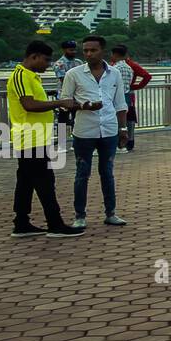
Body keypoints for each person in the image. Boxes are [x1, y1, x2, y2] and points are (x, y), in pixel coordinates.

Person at [7, 40, 85, 238]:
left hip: (38, 137)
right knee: (45, 181)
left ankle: (21, 222)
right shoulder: (21, 76)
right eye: (46, 60)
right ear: (33, 56)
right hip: (29, 138)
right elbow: (29, 105)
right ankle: (55, 224)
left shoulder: (31, 76)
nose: (48, 64)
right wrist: (59, 102)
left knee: (25, 181)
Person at [59, 34, 128, 229]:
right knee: (82, 173)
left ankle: (111, 213)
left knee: (107, 172)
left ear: (102, 51)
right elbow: (65, 103)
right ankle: (80, 215)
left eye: (93, 50)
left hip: (109, 129)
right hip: (84, 131)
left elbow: (120, 104)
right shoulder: (74, 74)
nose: (89, 54)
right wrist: (84, 106)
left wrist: (123, 129)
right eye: (86, 50)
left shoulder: (114, 74)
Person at [110, 45, 152, 153]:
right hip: (127, 94)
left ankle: (63, 143)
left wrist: (136, 86)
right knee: (127, 119)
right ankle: (127, 142)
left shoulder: (121, 66)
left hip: (123, 95)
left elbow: (147, 76)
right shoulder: (128, 66)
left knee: (125, 119)